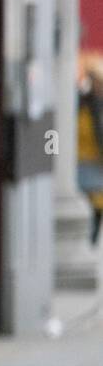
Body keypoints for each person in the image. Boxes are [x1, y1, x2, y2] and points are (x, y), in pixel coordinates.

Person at [77, 52, 103, 245]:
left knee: (96, 206)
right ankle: (89, 239)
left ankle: (91, 239)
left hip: (95, 163)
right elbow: (53, 133)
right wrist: (51, 153)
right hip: (81, 162)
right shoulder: (80, 104)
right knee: (88, 203)